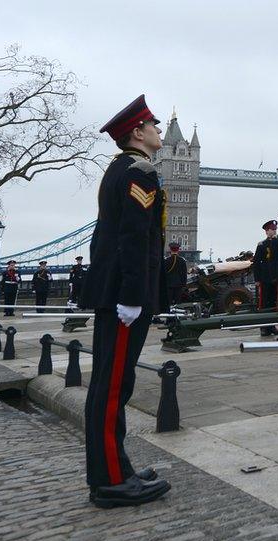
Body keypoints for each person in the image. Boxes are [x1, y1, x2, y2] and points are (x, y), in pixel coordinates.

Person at [78, 94, 171, 508]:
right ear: (138, 131)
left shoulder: (119, 170)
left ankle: (116, 468)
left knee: (109, 384)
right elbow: (135, 239)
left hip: (113, 293)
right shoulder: (140, 174)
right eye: (154, 125)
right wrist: (133, 295)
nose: (159, 131)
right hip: (124, 299)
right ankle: (113, 481)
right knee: (113, 388)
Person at [252, 220, 278, 336]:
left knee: (274, 303)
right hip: (265, 278)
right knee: (264, 303)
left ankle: (272, 326)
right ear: (267, 231)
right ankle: (265, 327)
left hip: (276, 278)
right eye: (272, 230)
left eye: (275, 229)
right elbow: (256, 263)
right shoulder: (262, 245)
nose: (274, 231)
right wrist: (257, 279)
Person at [164, 242, 188, 306]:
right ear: (178, 250)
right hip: (179, 285)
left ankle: (168, 315)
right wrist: (184, 285)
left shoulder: (166, 260)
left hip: (168, 285)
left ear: (170, 250)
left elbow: (163, 274)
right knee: (178, 303)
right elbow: (184, 274)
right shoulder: (182, 260)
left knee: (168, 303)